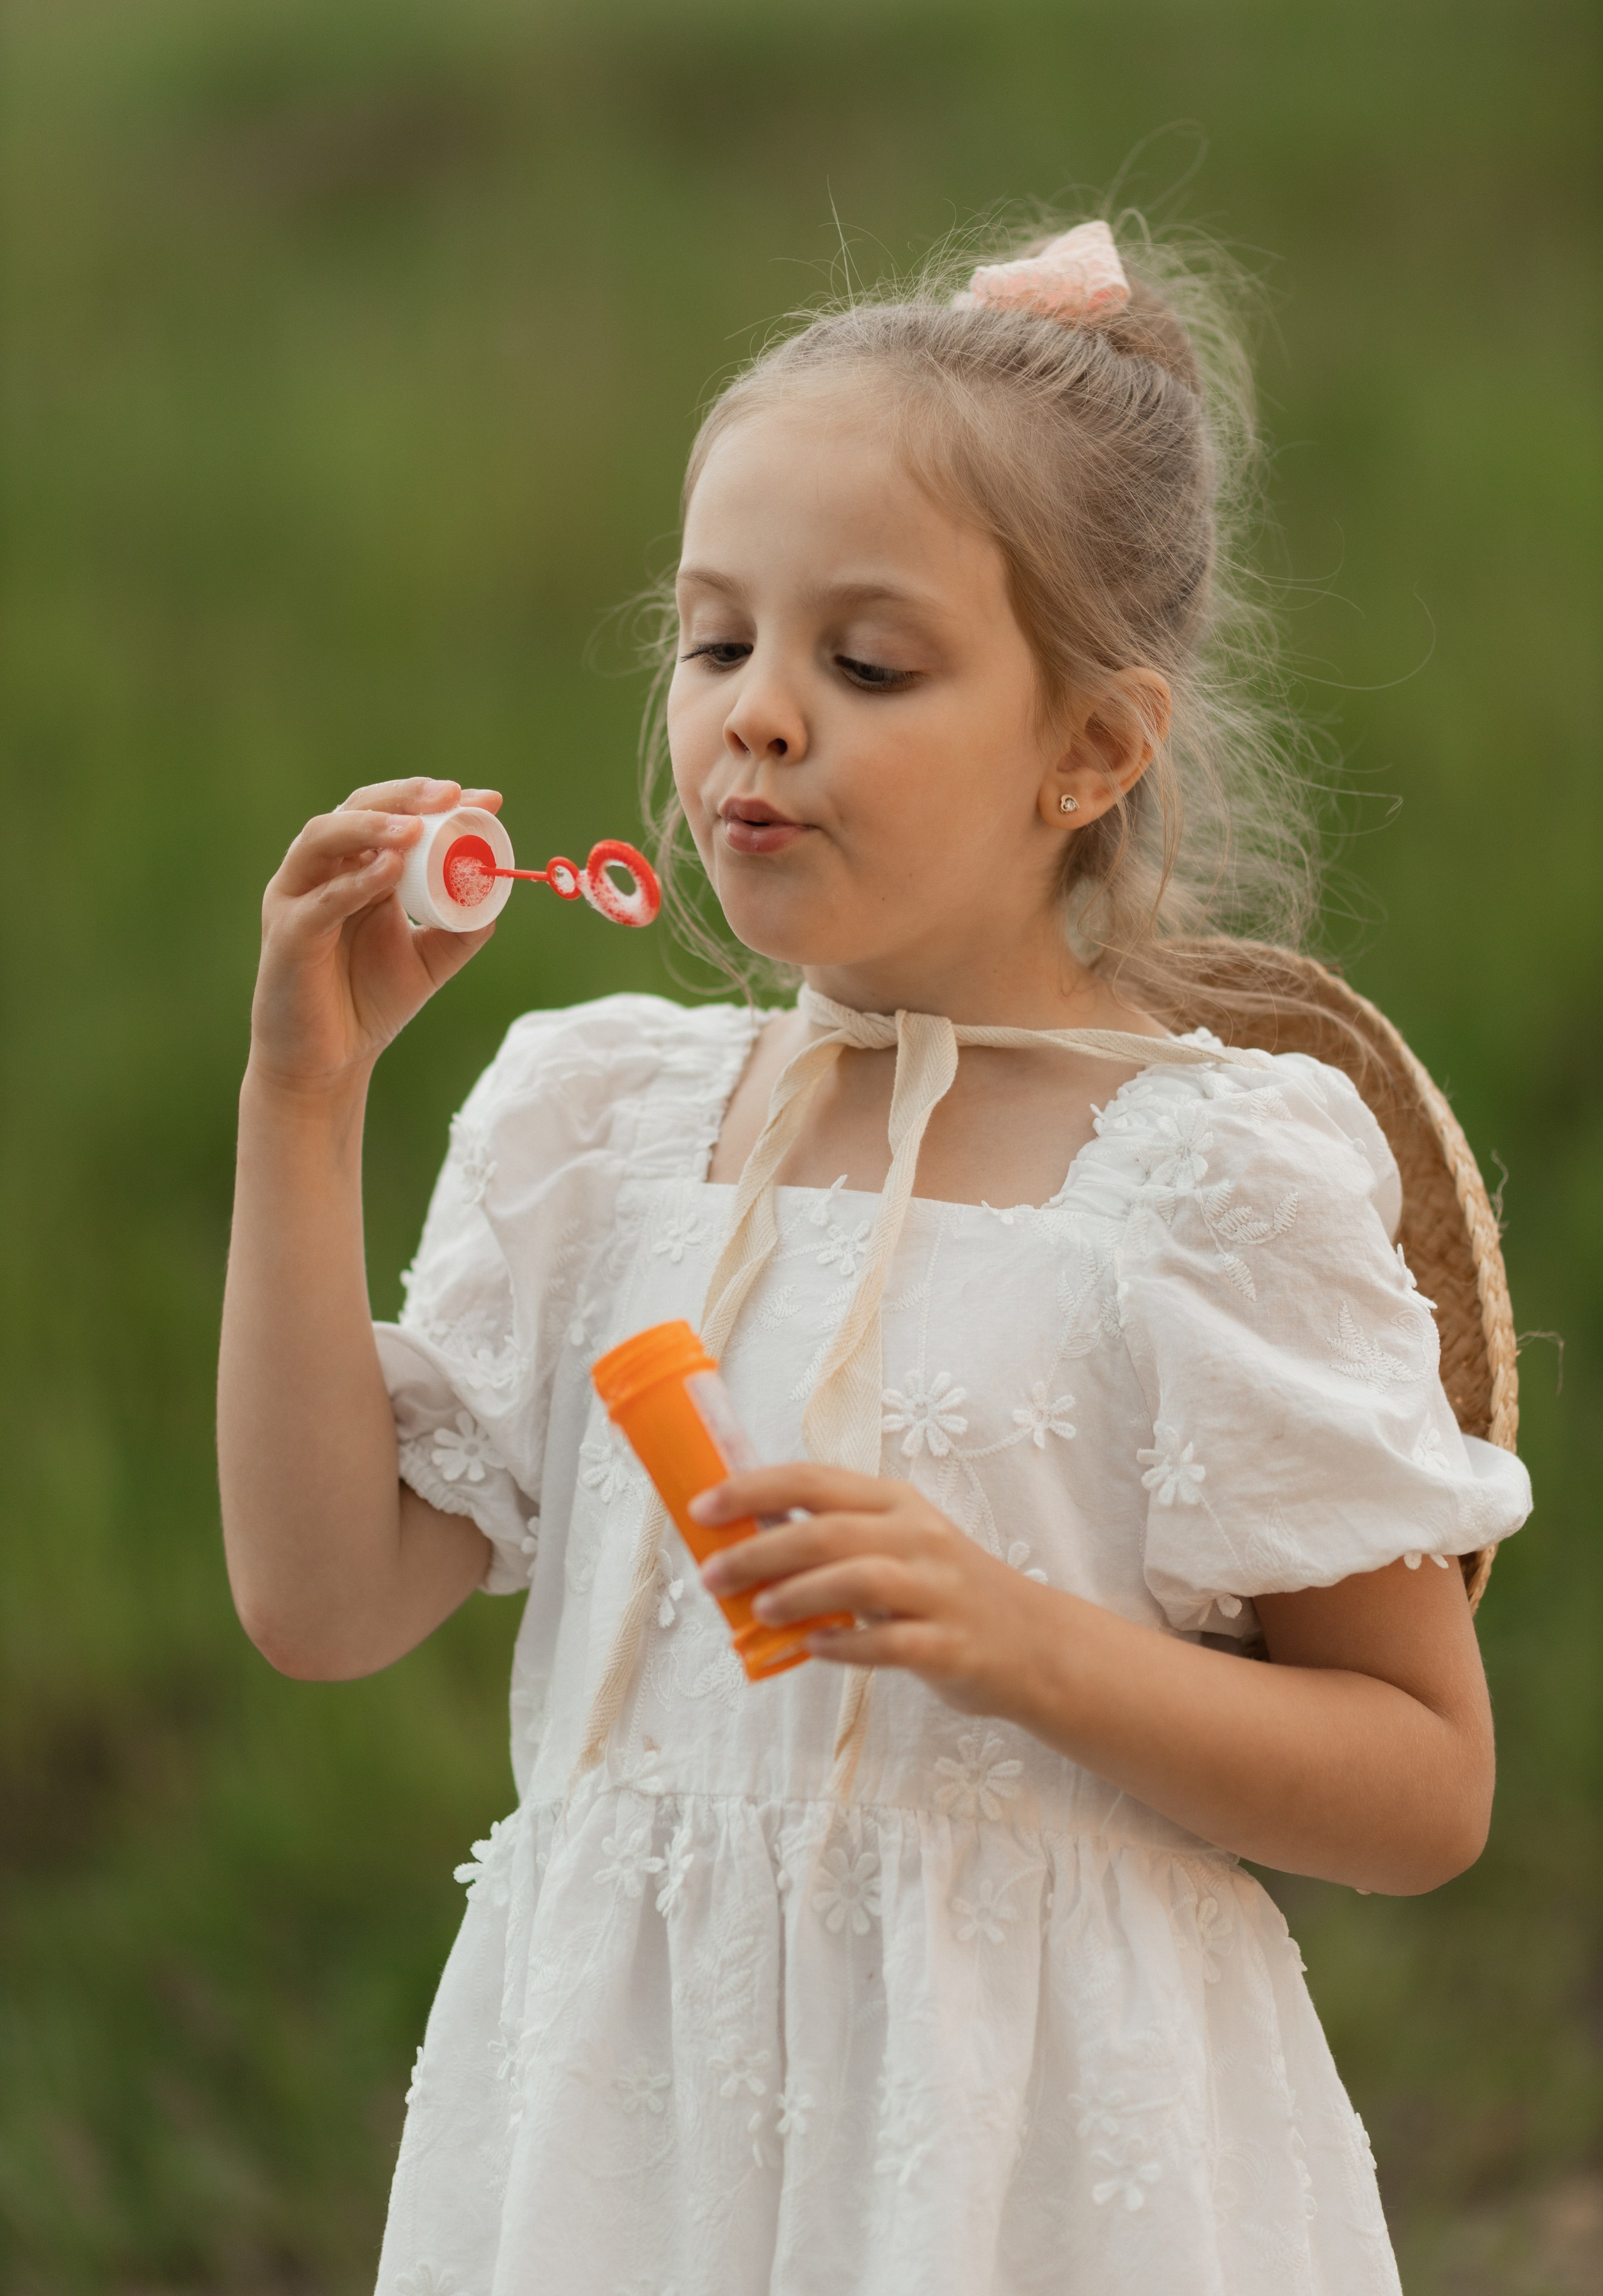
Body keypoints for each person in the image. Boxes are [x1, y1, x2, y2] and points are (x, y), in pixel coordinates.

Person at [218, 220, 1532, 2294]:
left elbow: (1424, 1786)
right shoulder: (607, 1127)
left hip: (1044, 2163)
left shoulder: (1204, 1181)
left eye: (868, 663)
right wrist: (303, 1104)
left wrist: (1022, 1640)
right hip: (620, 2144)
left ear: (1090, 751)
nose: (756, 719)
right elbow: (320, 1598)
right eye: (716, 639)